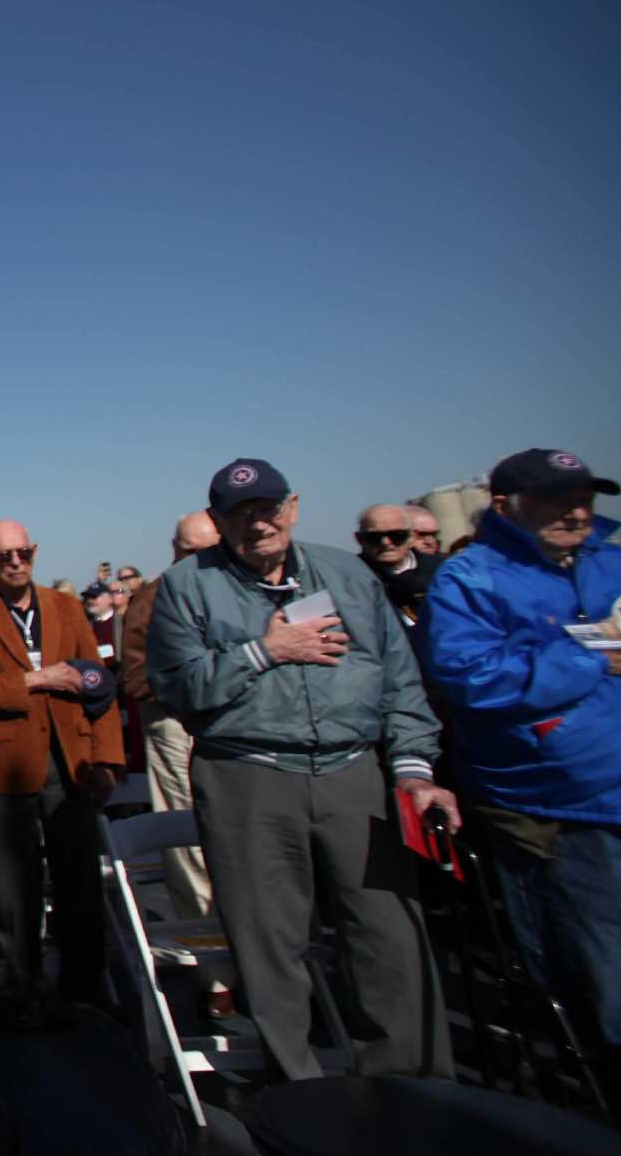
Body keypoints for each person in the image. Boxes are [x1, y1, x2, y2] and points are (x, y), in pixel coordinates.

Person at [146, 459, 455, 1081]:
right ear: (218, 522)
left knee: (388, 939)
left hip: (353, 772)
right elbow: (177, 687)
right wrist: (263, 651)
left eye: (268, 508)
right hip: (249, 776)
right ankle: (302, 1095)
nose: (257, 523)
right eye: (239, 513)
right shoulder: (186, 586)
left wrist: (415, 770)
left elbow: (398, 677)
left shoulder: (347, 574)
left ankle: (413, 1094)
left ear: (292, 507)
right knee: (270, 952)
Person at [424, 449, 621, 1106]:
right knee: (603, 984)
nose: (576, 511)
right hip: (565, 809)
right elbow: (470, 677)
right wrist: (591, 655)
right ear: (504, 507)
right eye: (556, 498)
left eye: (585, 496)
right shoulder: (471, 578)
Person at [0, 520, 123, 1007]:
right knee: (16, 894)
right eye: (3, 555)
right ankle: (25, 995)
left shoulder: (66, 609)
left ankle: (86, 995)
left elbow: (101, 689)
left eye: (22, 552)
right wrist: (37, 678)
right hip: (4, 771)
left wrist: (106, 760)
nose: (15, 562)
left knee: (80, 884)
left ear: (34, 552)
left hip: (70, 765)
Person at [118, 510, 234, 1019]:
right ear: (174, 549)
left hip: (246, 732)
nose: (202, 561)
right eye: (191, 551)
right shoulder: (152, 599)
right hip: (180, 731)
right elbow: (135, 677)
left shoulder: (241, 587)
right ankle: (217, 976)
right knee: (191, 850)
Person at [354, 504, 444, 643]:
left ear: (412, 537)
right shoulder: (349, 577)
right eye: (374, 537)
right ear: (359, 539)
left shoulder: (442, 570)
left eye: (396, 536)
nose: (386, 543)